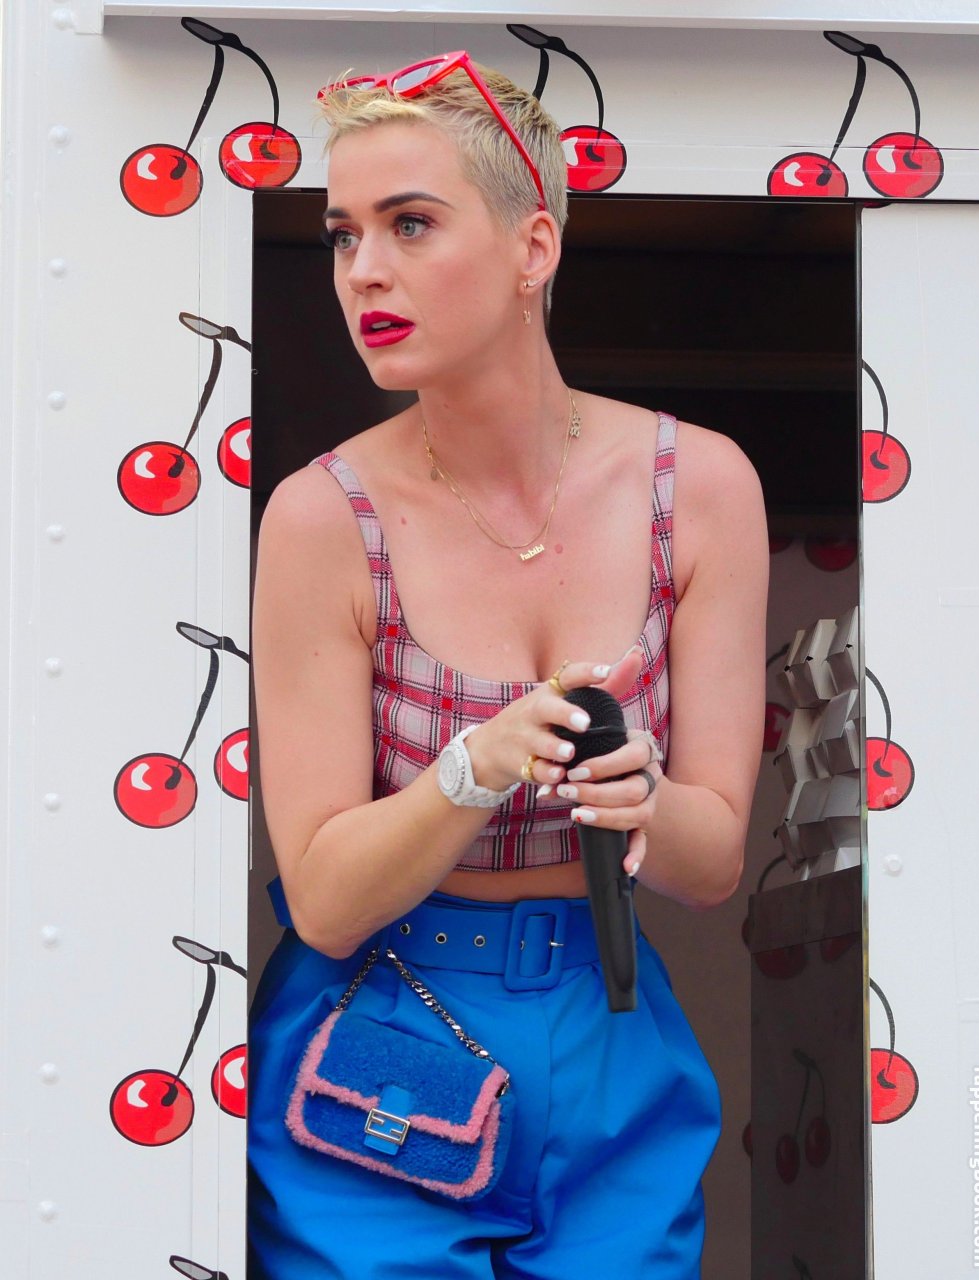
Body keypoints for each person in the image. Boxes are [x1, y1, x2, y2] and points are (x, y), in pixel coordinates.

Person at [247, 51, 768, 1280]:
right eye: (342, 235)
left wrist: (644, 797)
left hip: (609, 1018)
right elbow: (323, 898)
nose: (363, 270)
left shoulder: (699, 487)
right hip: (382, 1016)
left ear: (535, 246)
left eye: (410, 223)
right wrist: (471, 767)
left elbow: (712, 860)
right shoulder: (322, 515)